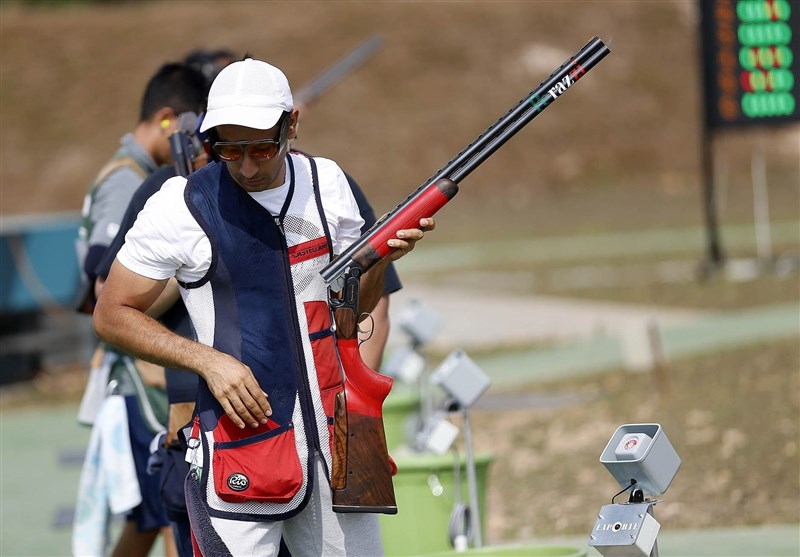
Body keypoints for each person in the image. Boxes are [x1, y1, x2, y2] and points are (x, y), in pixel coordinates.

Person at [93, 57, 433, 556]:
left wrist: (381, 264)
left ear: (291, 125)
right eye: (228, 149)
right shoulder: (178, 204)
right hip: (238, 451)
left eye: (260, 147)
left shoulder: (330, 184)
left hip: (339, 447)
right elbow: (111, 312)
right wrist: (207, 361)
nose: (247, 166)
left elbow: (351, 311)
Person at [72, 62, 208, 557]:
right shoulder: (130, 180)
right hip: (139, 373)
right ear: (171, 119)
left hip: (142, 368)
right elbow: (103, 284)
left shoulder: (136, 173)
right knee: (172, 514)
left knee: (153, 519)